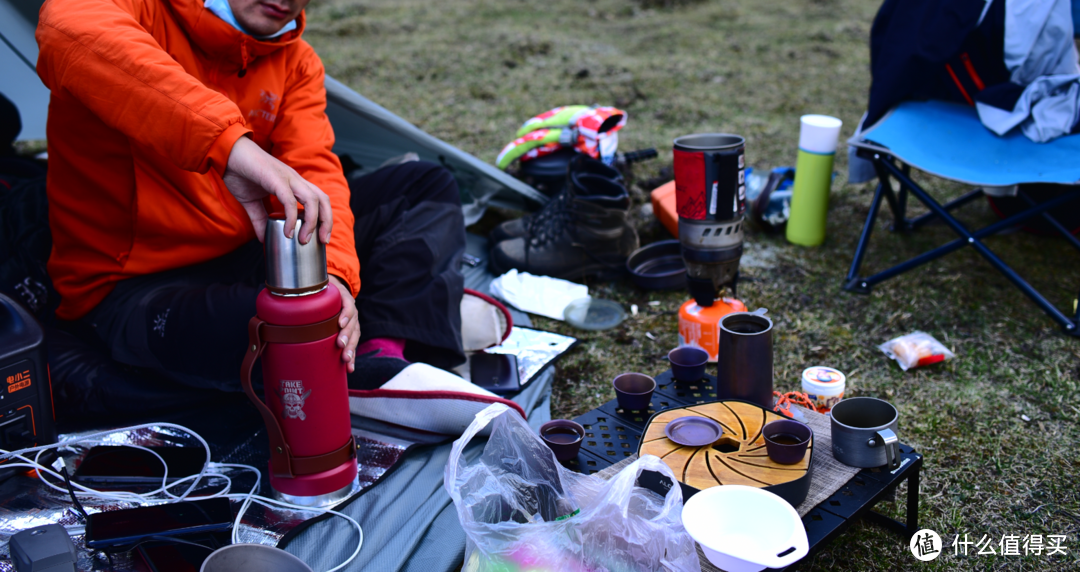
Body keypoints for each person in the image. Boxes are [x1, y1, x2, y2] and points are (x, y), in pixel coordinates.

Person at [34, 0, 468, 410]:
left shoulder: (295, 60)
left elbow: (314, 173)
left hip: (250, 256)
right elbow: (66, 28)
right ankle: (376, 346)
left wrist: (333, 277)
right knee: (291, 329)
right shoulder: (136, 9)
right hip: (133, 286)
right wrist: (232, 148)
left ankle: (382, 354)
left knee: (422, 184)